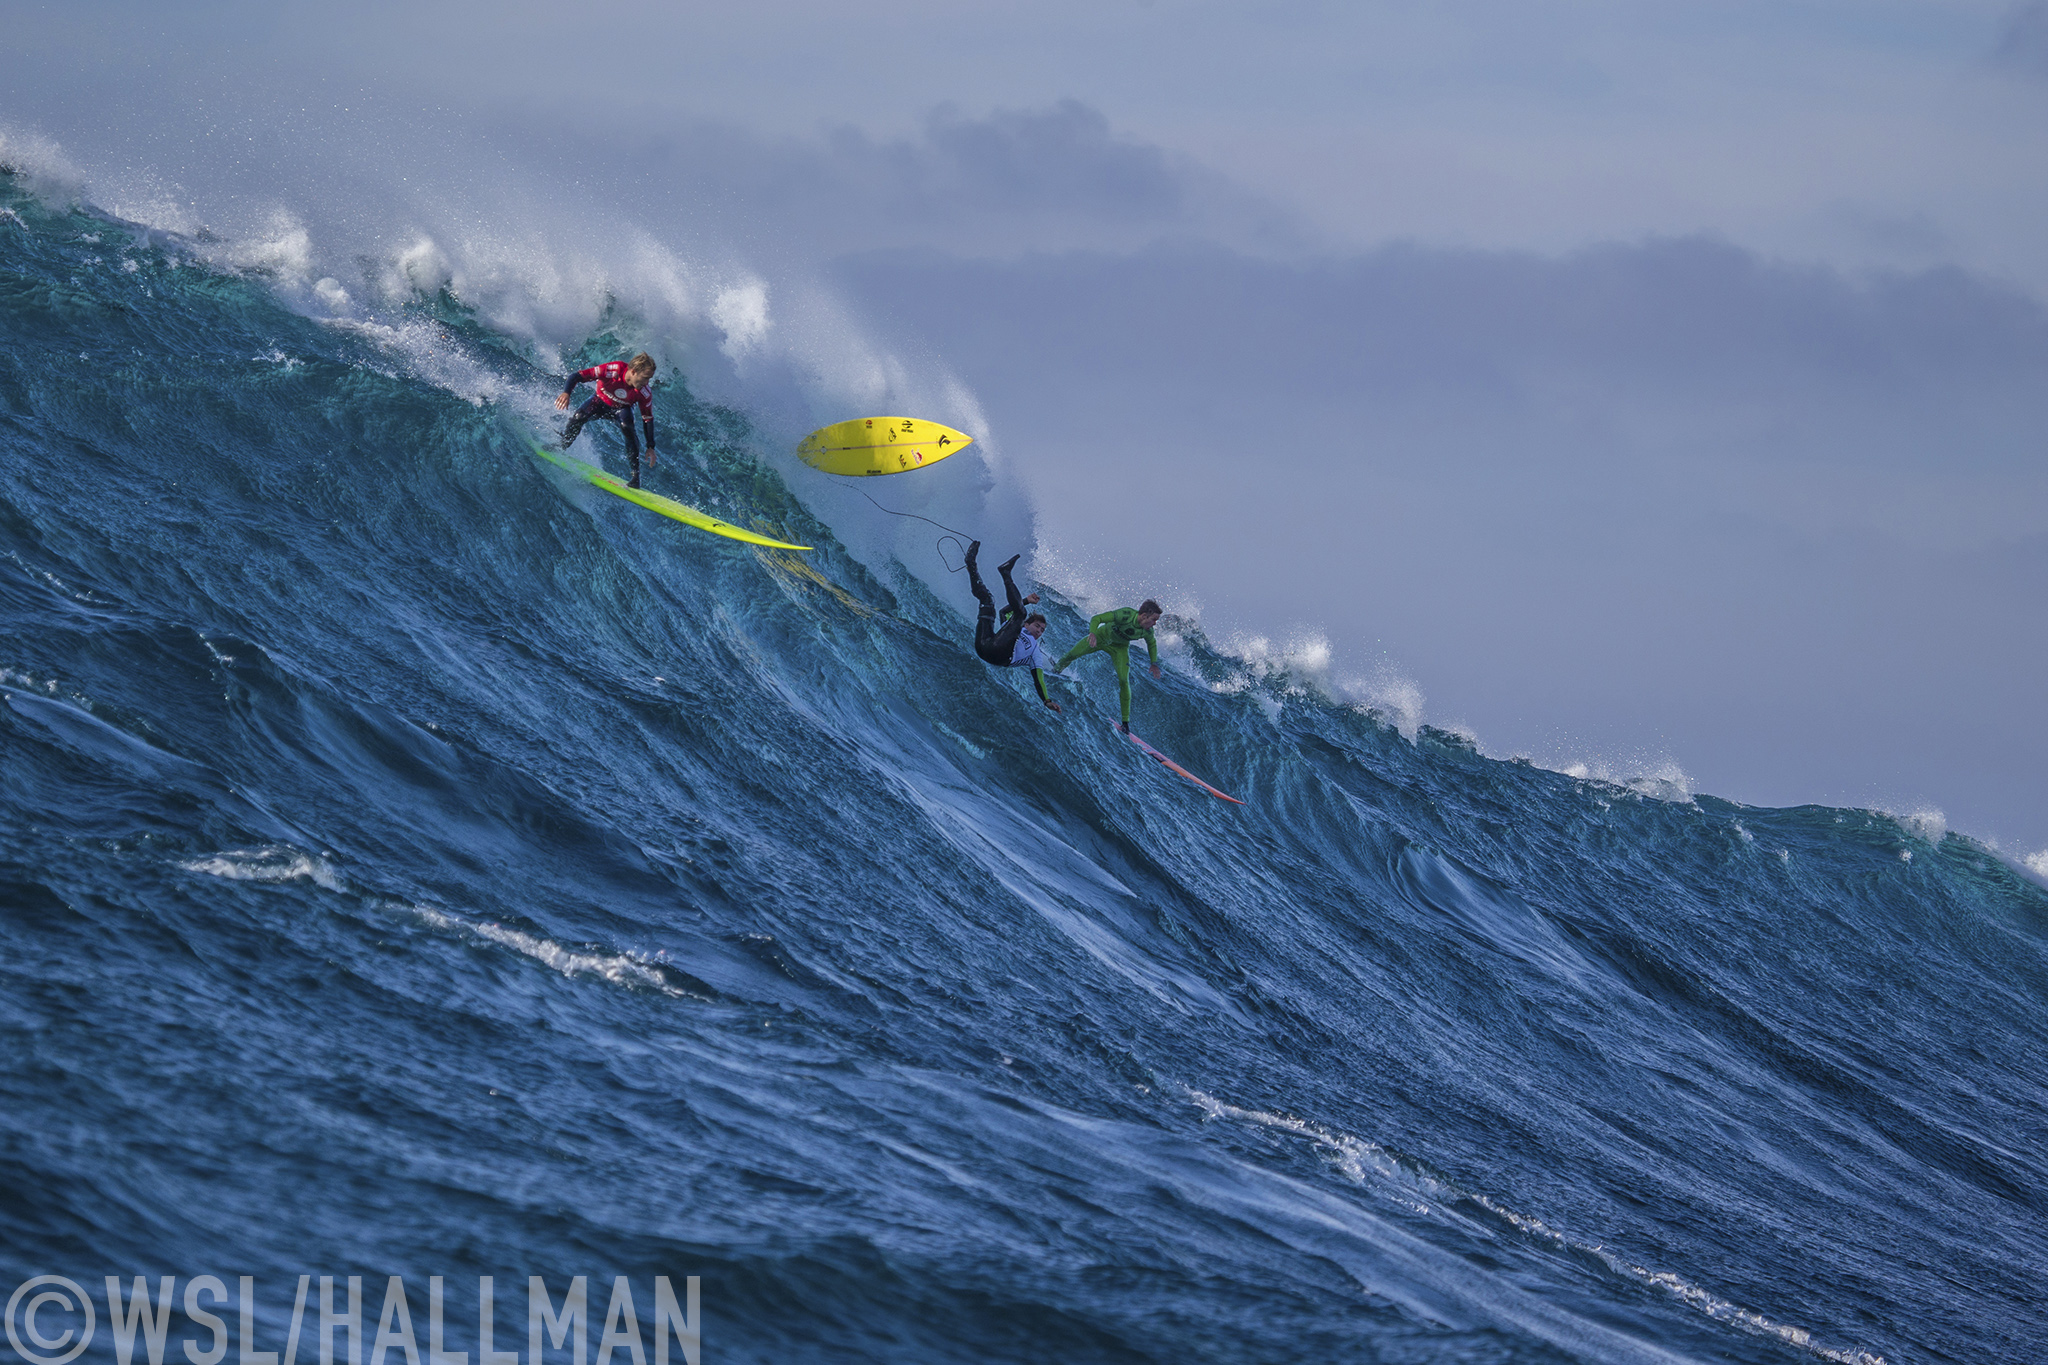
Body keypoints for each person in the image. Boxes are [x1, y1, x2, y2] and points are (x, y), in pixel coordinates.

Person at [964, 542, 1061, 711]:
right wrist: (1025, 601)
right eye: (1037, 626)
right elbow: (1004, 612)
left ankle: (1006, 573)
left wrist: (1047, 700)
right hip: (984, 644)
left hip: (999, 655)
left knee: (1020, 613)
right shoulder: (1019, 627)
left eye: (1042, 630)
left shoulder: (1035, 652)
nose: (1039, 631)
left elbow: (1038, 678)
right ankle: (971, 564)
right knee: (987, 600)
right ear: (1027, 625)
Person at [1058, 599, 1163, 732]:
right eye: (1154, 619)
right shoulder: (1125, 614)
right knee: (1072, 655)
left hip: (1119, 648)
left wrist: (1153, 663)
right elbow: (1098, 618)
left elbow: (1152, 644)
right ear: (1144, 616)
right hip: (1101, 637)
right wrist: (1092, 633)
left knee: (1124, 681)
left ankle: (1125, 723)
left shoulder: (1148, 631)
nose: (1154, 624)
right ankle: (1056, 670)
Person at [556, 352, 658, 489]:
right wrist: (566, 392)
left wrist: (650, 447)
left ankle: (635, 477)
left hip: (621, 409)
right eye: (645, 378)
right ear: (633, 372)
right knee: (579, 417)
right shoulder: (613, 370)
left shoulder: (644, 392)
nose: (647, 383)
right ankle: (561, 446)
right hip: (599, 401)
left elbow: (648, 419)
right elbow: (577, 376)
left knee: (627, 428)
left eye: (649, 379)